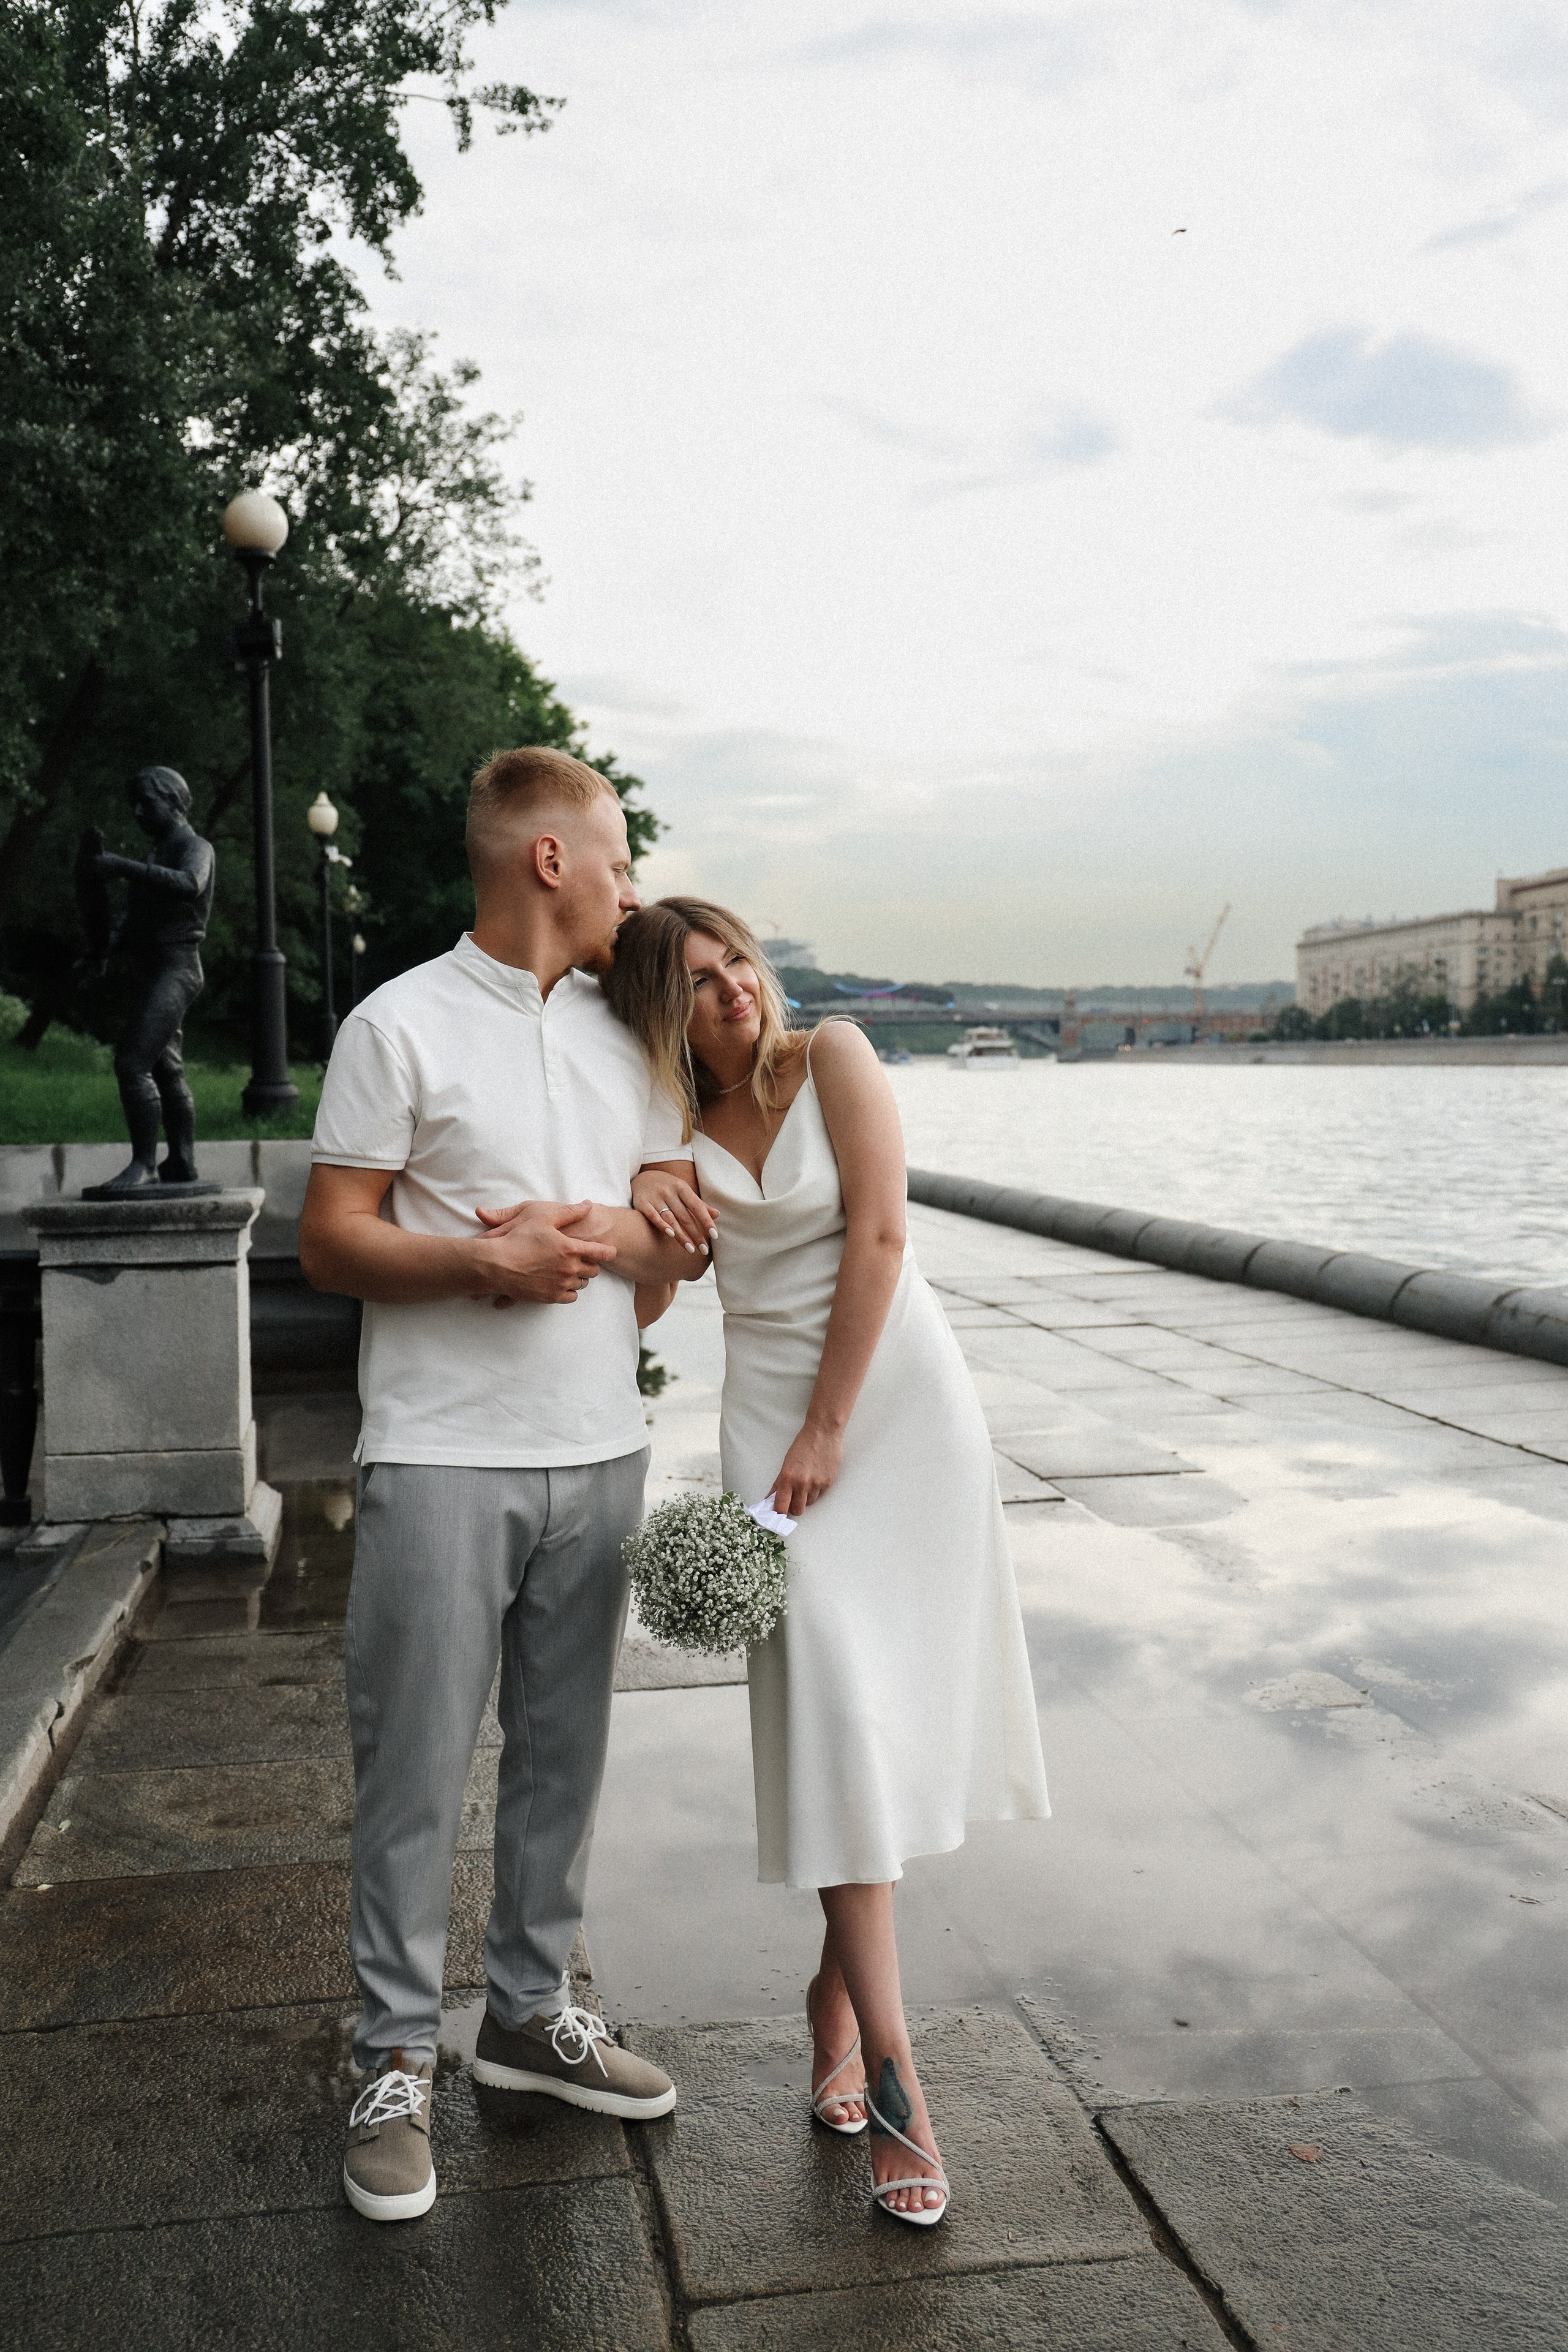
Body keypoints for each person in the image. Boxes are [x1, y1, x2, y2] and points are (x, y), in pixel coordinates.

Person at [298, 747, 707, 2224]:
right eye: (613, 856)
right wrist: (486, 1258)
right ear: (548, 860)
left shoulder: (632, 1035)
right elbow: (329, 1241)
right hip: (438, 1450)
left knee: (561, 1754)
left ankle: (527, 2013)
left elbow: (667, 1255)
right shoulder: (393, 1024)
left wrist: (613, 1234)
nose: (628, 886)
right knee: (410, 1766)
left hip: (600, 1444)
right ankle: (394, 2053)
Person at [600, 899, 1050, 2226]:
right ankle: (900, 2075)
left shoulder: (834, 1057)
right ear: (660, 1012)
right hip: (766, 1434)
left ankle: (836, 1996)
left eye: (736, 959)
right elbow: (648, 1300)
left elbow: (880, 1238)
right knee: (838, 1718)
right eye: (694, 979)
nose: (732, 987)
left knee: (887, 1722)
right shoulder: (665, 1126)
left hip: (891, 1409)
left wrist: (829, 1428)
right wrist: (639, 1203)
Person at [78, 765, 215, 1191]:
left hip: (177, 968)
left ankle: (145, 1164)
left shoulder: (196, 847)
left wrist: (123, 866)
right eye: (133, 804)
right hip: (152, 968)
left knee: (132, 1063)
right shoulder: (154, 857)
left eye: (146, 802)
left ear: (173, 802)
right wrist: (101, 952)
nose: (138, 812)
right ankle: (182, 1161)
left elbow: (189, 883)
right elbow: (128, 918)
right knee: (167, 1068)